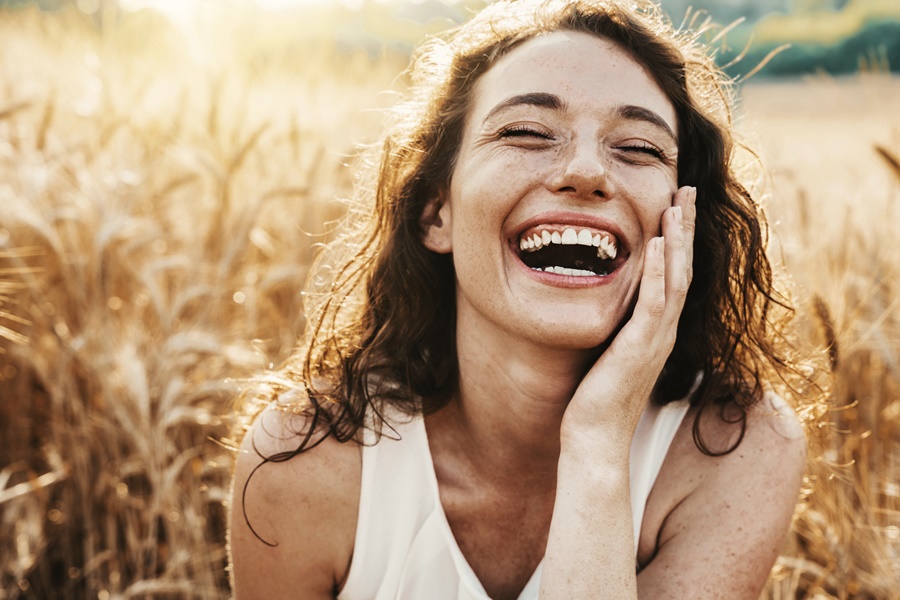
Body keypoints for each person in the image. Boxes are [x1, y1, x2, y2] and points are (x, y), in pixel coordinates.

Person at [228, 0, 815, 597]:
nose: (586, 171)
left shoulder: (733, 449)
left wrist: (597, 441)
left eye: (638, 147)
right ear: (437, 212)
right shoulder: (305, 464)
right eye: (527, 133)